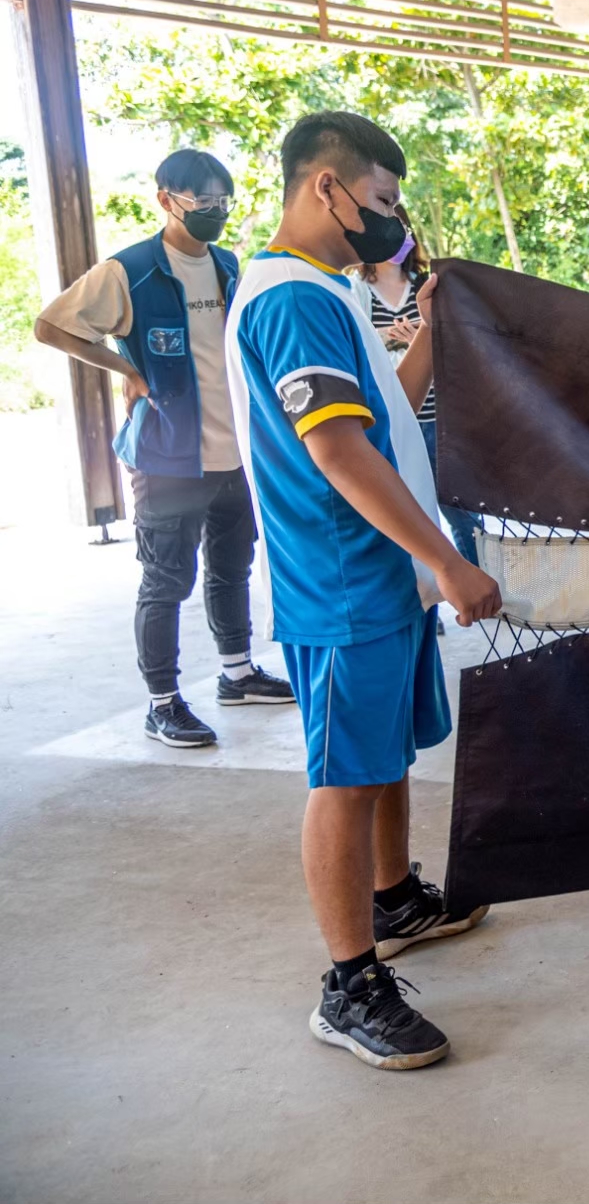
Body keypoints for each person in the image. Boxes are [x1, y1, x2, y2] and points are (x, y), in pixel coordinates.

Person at [227, 110, 503, 1071]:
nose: (391, 221)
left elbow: (384, 402)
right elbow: (339, 451)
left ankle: (393, 899)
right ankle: (349, 983)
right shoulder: (290, 299)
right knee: (344, 774)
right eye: (380, 201)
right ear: (325, 188)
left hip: (378, 572)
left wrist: (429, 330)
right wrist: (449, 560)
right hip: (343, 577)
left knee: (381, 750)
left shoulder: (327, 289)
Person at [33, 148, 294, 747]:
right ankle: (163, 703)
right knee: (165, 581)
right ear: (165, 200)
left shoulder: (230, 265)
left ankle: (237, 674)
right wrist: (127, 369)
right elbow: (52, 325)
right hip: (167, 457)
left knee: (232, 568)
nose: (214, 212)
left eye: (222, 202)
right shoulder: (131, 271)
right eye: (201, 201)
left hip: (235, 454)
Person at [350, 213, 481, 564]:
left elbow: (457, 343)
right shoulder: (355, 289)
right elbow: (358, 350)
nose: (397, 236)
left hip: (440, 417)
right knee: (411, 517)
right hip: (394, 418)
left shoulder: (426, 284)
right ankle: (429, 601)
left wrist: (425, 338)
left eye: (403, 227)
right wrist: (397, 341)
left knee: (464, 513)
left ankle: (483, 587)